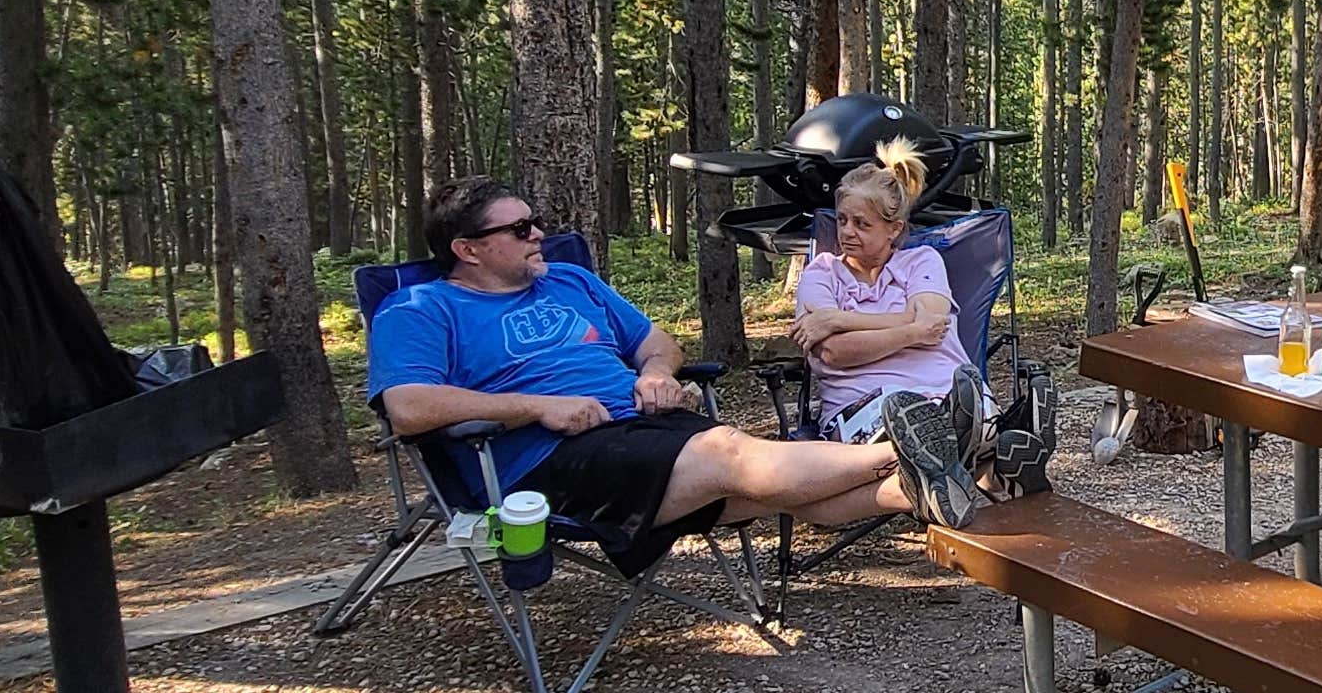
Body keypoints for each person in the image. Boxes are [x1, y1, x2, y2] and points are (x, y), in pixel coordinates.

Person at [367, 177, 988, 541]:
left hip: (644, 433)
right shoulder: (420, 309)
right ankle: (927, 447)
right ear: (467, 249)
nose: (538, 235)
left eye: (536, 223)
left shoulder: (569, 281)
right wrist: (537, 407)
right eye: (520, 229)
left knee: (785, 493)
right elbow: (408, 407)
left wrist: (657, 373)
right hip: (547, 462)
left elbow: (657, 342)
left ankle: (925, 477)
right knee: (733, 455)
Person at [790, 142, 1048, 492]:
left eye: (862, 224)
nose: (847, 232)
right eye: (842, 220)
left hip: (948, 393)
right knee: (910, 416)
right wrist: (911, 330)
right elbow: (836, 352)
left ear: (893, 229)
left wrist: (839, 319)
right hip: (866, 409)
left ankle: (976, 441)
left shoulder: (922, 261)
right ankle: (993, 457)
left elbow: (934, 319)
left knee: (957, 406)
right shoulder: (820, 274)